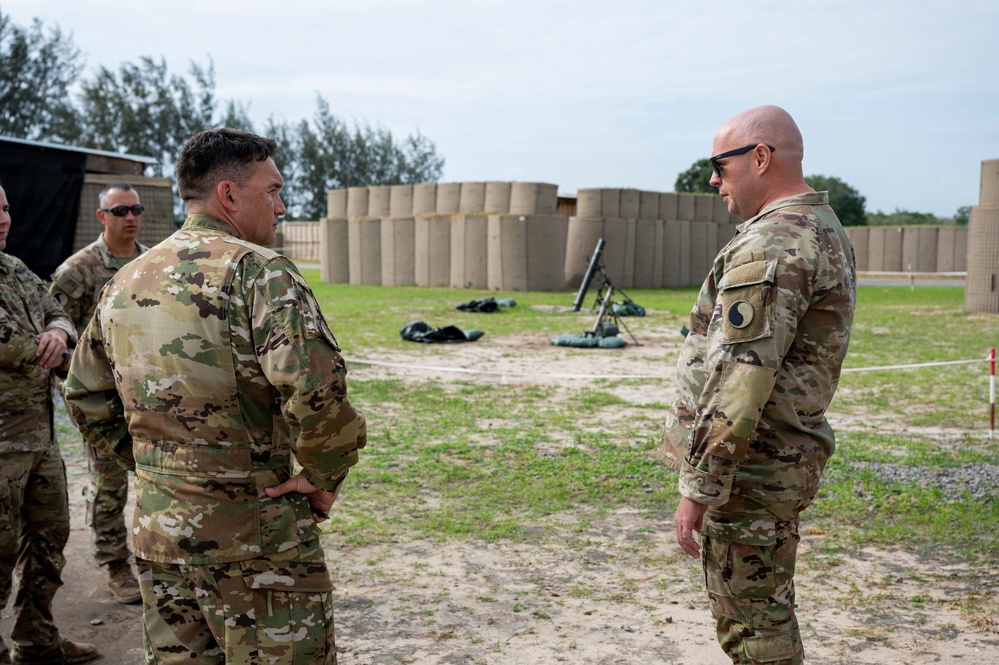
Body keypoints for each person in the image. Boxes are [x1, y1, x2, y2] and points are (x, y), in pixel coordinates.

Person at [63, 128, 367, 664]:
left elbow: (85, 394)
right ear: (228, 194)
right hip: (255, 539)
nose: (282, 205)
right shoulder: (259, 273)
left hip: (162, 537)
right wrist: (321, 476)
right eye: (272, 191)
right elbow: (318, 393)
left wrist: (159, 471)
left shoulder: (126, 280)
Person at [657, 105, 856, 665]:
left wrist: (699, 485)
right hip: (778, 458)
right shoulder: (821, 226)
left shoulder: (772, 243)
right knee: (763, 609)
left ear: (761, 157)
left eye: (720, 164)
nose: (714, 180)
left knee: (753, 623)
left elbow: (739, 380)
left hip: (752, 469)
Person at [0, 181, 99, 664]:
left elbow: (56, 308)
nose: (2, 219)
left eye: (5, 208)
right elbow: (13, 346)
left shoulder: (15, 270)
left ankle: (36, 638)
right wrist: (45, 349)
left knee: (48, 543)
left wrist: (59, 329)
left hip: (39, 441)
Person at [49, 182, 149, 605]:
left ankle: (152, 559)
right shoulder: (79, 269)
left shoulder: (149, 264)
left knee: (154, 482)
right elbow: (54, 327)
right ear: (101, 216)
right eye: (120, 210)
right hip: (103, 402)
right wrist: (78, 391)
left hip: (148, 396)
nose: (130, 217)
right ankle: (115, 566)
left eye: (136, 209)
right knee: (109, 488)